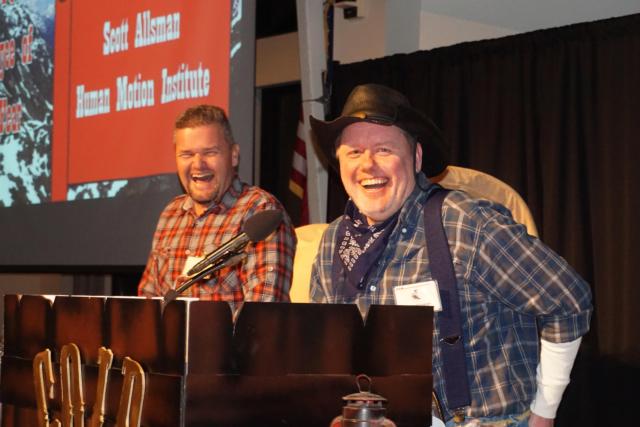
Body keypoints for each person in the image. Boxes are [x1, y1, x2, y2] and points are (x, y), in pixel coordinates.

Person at [309, 84, 592, 427]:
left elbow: (568, 301)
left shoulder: (465, 223)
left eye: (384, 149)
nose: (368, 165)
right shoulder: (333, 242)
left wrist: (544, 413)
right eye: (354, 152)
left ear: (415, 158)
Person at [138, 105, 296, 312]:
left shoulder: (260, 212)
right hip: (171, 344)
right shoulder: (171, 213)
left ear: (234, 156)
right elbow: (147, 303)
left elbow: (261, 317)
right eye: (187, 154)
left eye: (210, 152)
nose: (198, 165)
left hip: (229, 345)